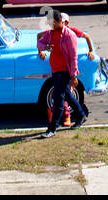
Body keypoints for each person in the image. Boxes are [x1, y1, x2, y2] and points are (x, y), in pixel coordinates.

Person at [37, 8, 86, 136]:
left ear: (60, 21)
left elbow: (73, 57)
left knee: (58, 98)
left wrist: (74, 75)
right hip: (55, 69)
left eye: (53, 23)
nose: (51, 26)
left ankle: (52, 128)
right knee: (67, 95)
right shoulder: (51, 33)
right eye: (49, 24)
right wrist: (44, 47)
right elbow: (40, 42)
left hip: (64, 71)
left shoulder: (69, 36)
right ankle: (81, 115)